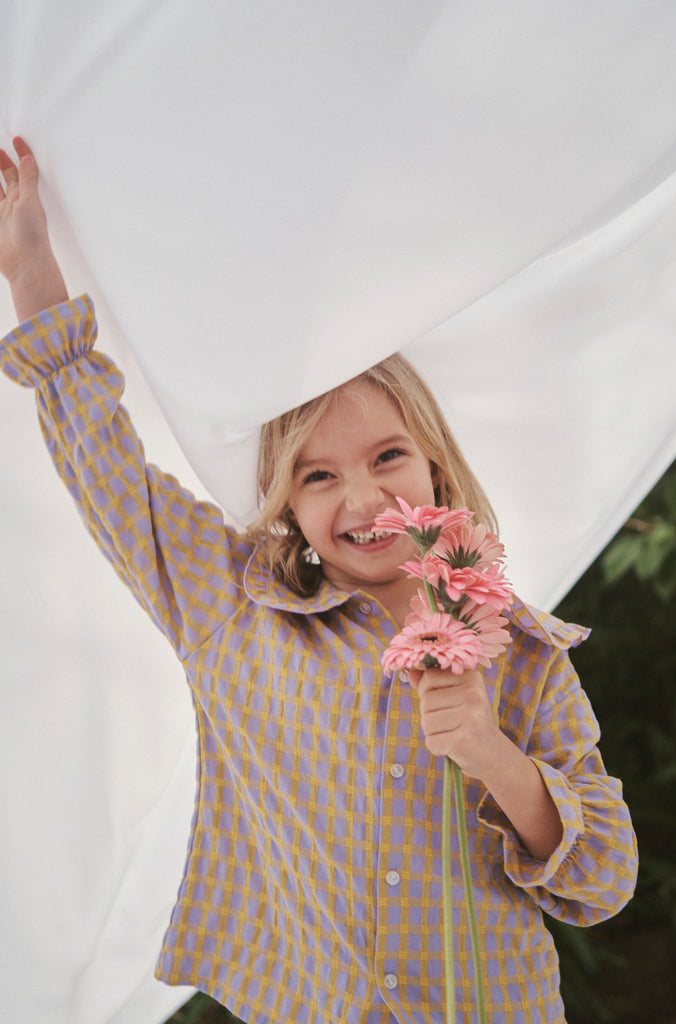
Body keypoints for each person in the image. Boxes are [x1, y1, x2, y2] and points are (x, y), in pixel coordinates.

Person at [0, 138, 637, 1024]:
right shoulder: (234, 613)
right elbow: (113, 480)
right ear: (286, 508)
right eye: (318, 476)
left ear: (438, 473)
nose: (364, 496)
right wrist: (34, 282)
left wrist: (489, 753)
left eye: (387, 457)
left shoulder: (523, 657)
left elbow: (602, 881)